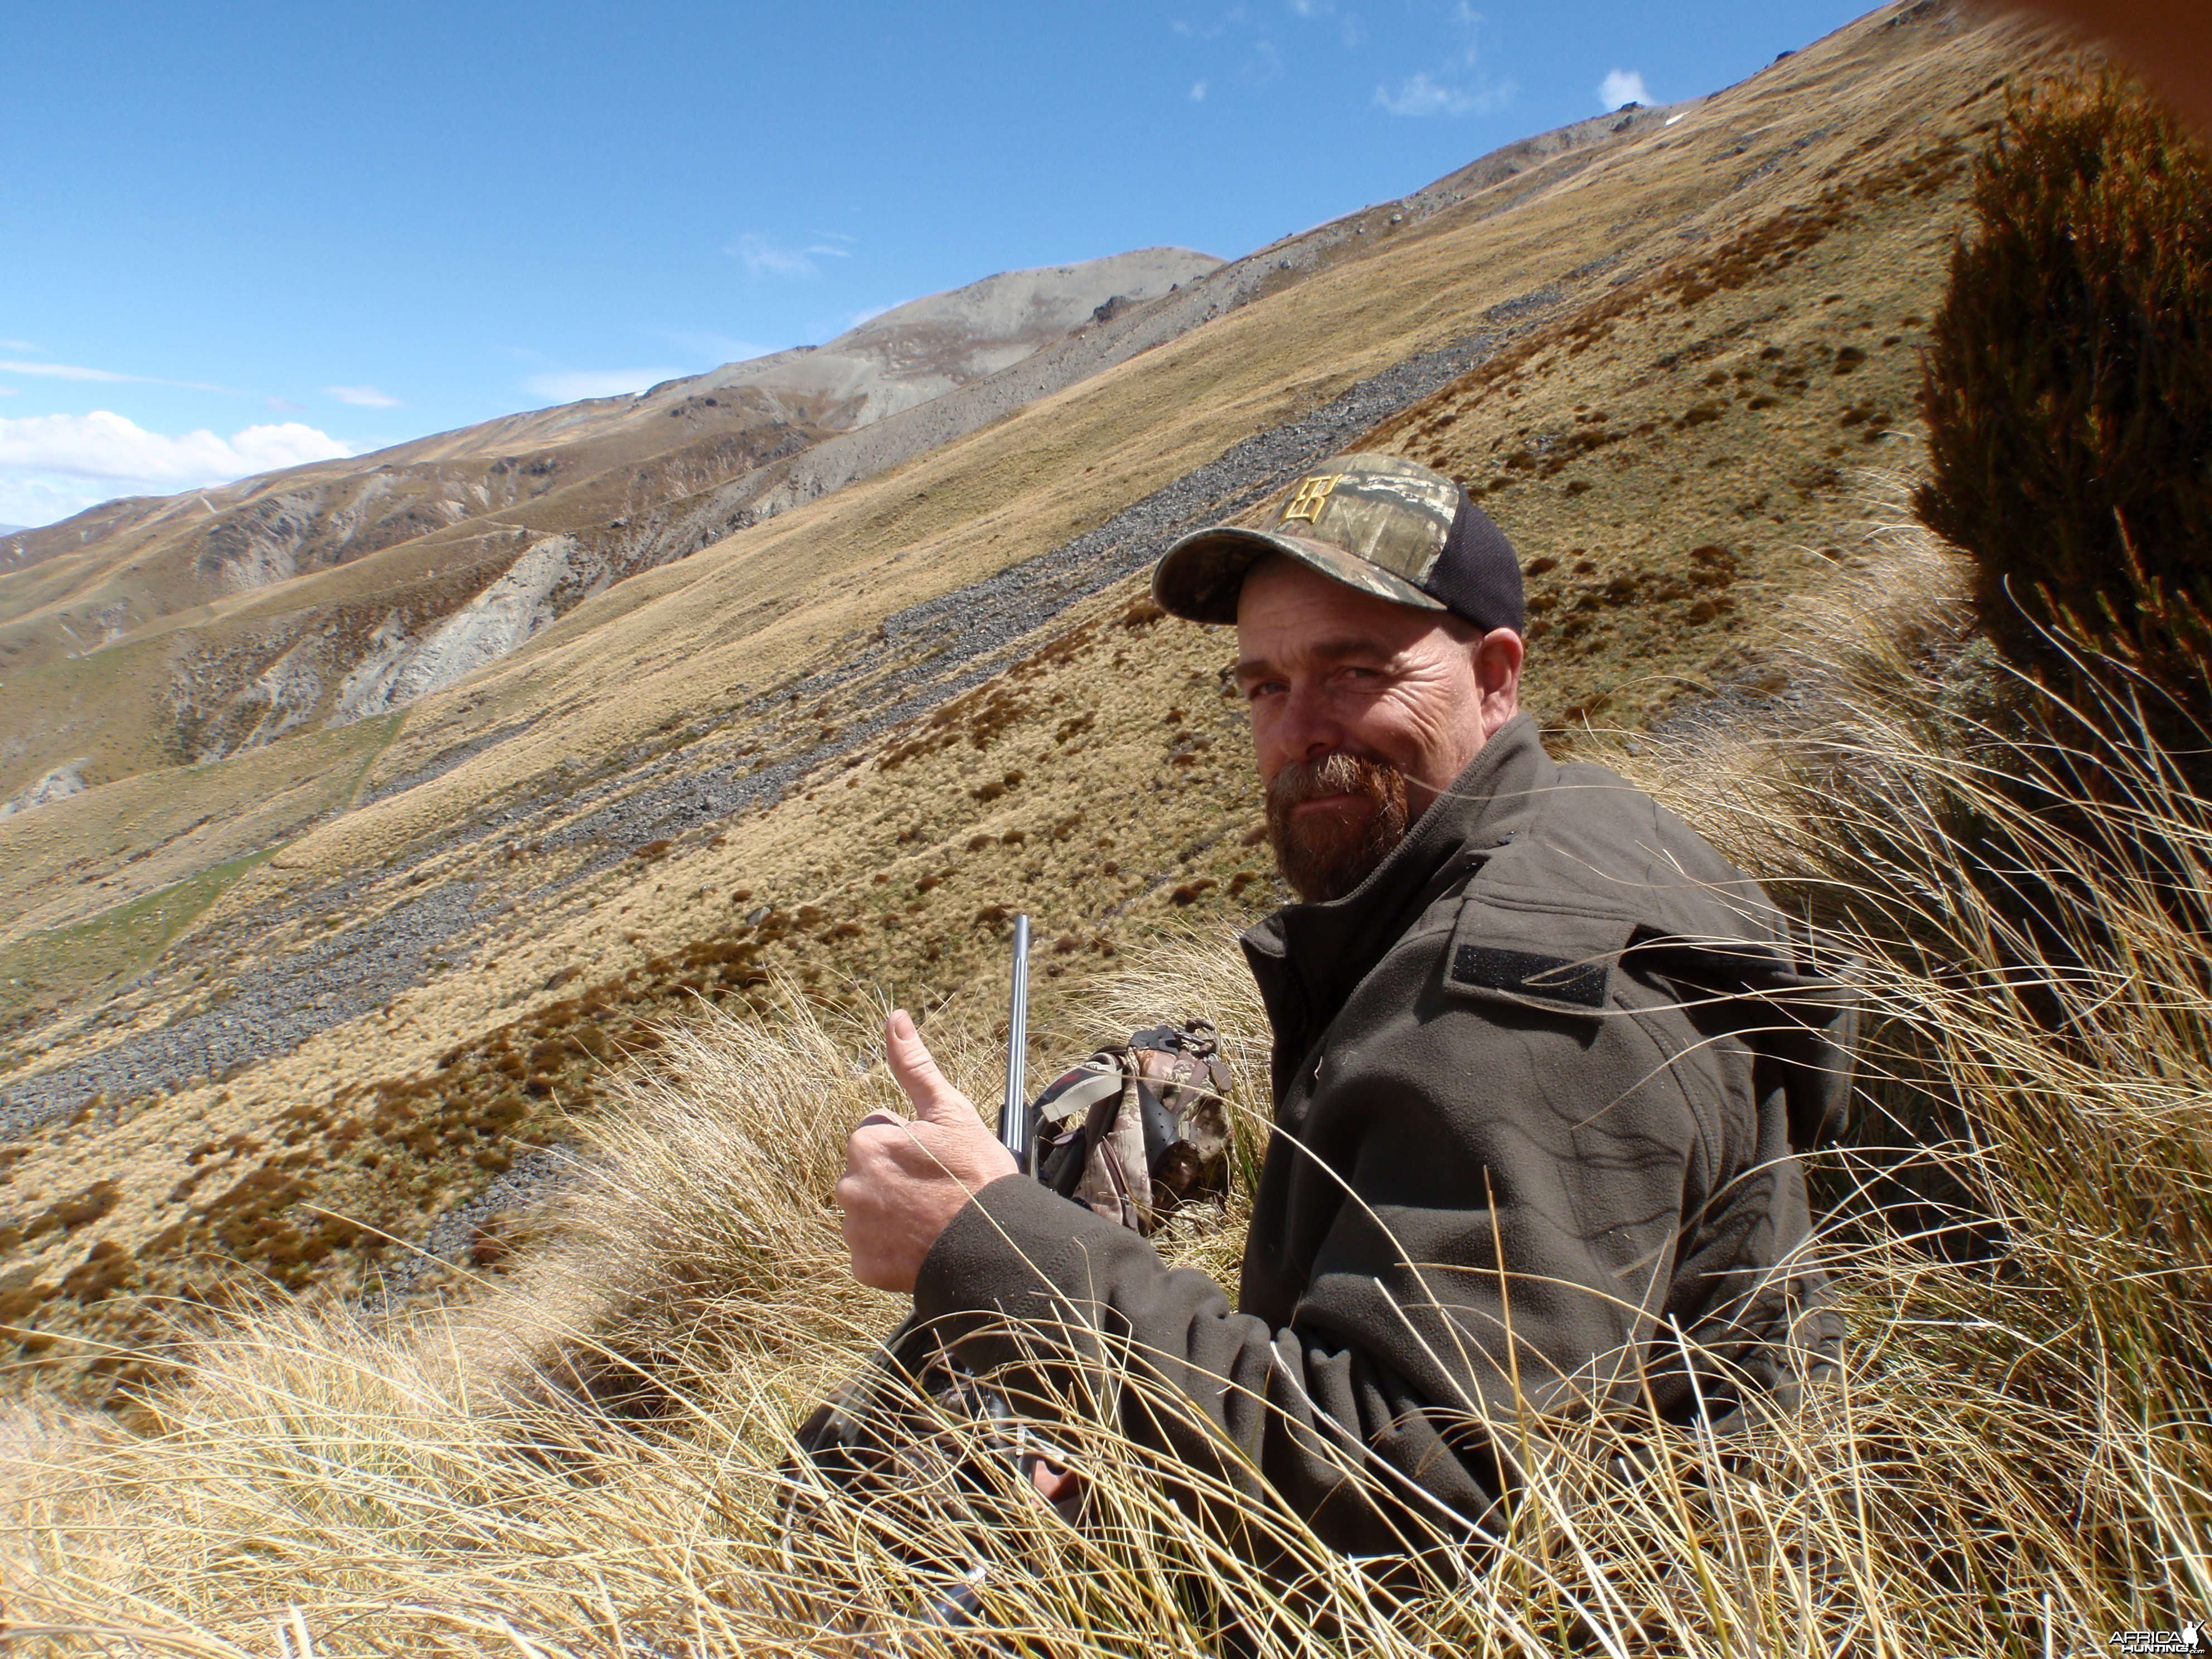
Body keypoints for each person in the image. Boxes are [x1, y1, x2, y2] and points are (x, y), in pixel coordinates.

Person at [831, 453, 1855, 1561]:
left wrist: (995, 1251)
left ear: (1496, 678)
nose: (1300, 728)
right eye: (1264, 685)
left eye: (1354, 672)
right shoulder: (1572, 828)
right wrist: (1127, 1415)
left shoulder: (1506, 1008)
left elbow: (1424, 1490)